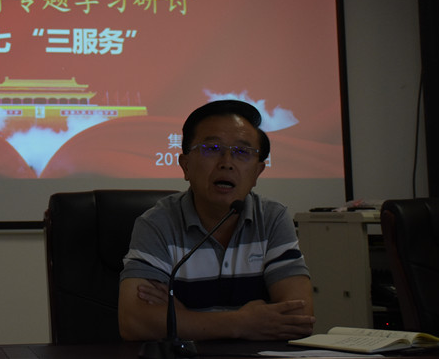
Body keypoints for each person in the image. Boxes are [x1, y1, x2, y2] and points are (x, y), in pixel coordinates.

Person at [118, 99, 315, 341]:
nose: (227, 163)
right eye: (211, 149)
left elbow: (299, 317)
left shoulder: (272, 218)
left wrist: (182, 317)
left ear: (257, 172)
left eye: (242, 152)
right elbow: (134, 322)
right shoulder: (157, 223)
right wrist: (242, 323)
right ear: (185, 165)